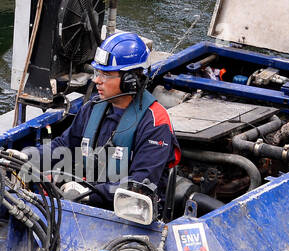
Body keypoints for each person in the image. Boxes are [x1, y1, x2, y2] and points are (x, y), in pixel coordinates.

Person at [30, 30, 180, 212]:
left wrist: (87, 193)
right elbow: (64, 145)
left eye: (106, 75)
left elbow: (139, 186)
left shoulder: (155, 124)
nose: (97, 80)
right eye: (96, 72)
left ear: (130, 80)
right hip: (88, 204)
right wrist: (27, 158)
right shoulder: (92, 108)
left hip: (131, 216)